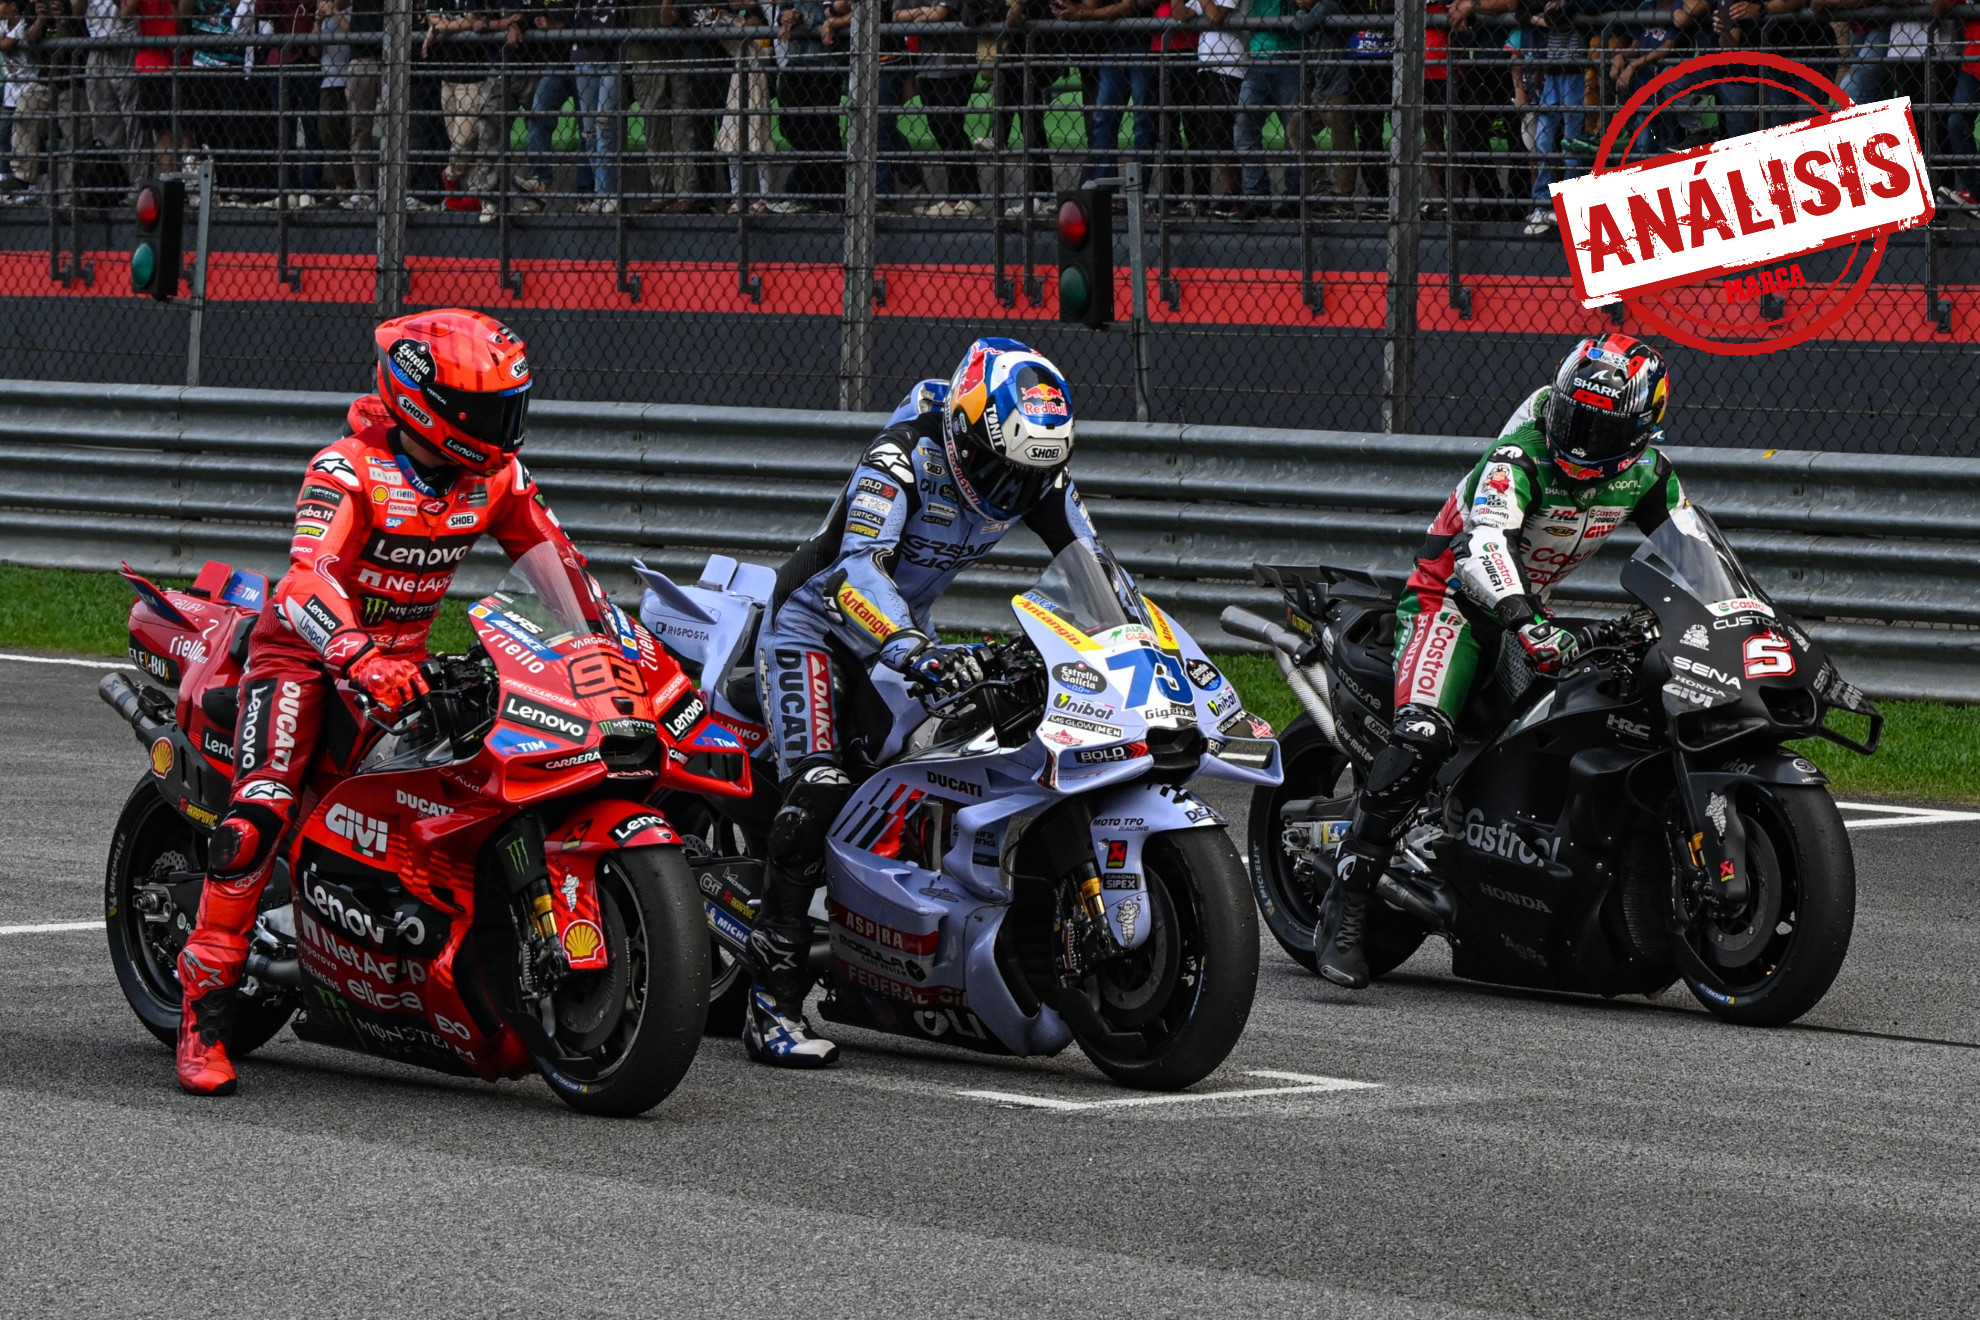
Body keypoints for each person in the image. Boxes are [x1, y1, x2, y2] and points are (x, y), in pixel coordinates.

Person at [173, 308, 584, 1096]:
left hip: (405, 667)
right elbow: (305, 580)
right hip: (303, 657)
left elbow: (560, 570)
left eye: (511, 407)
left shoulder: (495, 477)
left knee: (467, 793)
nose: (505, 425)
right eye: (488, 410)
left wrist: (600, 642)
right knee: (260, 810)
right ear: (431, 405)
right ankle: (203, 1009)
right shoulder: (347, 470)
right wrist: (354, 652)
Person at [744, 337, 1097, 1067]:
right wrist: (912, 650)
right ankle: (769, 1004)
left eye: (1028, 474)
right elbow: (855, 573)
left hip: (907, 632)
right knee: (819, 786)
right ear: (968, 432)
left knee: (959, 760)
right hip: (815, 626)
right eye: (998, 468)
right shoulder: (900, 458)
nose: (1010, 490)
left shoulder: (1037, 476)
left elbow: (1092, 572)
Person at [1316, 334, 1686, 989]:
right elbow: (1483, 546)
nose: (1581, 438)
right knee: (1425, 734)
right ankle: (1348, 896)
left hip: (1528, 605)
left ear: (1639, 431)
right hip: (1452, 600)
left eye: (1601, 429)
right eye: (1574, 418)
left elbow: (1694, 551)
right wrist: (1528, 624)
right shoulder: (1517, 458)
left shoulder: (1647, 475)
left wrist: (1738, 614)